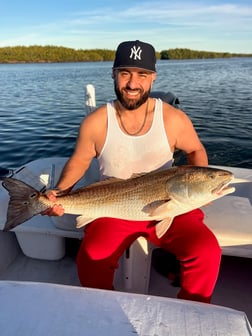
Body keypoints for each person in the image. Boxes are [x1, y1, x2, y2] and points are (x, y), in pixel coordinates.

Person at [43, 40, 221, 303]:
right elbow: (80, 161)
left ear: (153, 78)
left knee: (206, 252)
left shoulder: (173, 118)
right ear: (113, 74)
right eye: (125, 73)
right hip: (113, 204)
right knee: (91, 257)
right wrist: (58, 193)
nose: (132, 83)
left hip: (170, 202)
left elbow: (195, 150)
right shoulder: (96, 122)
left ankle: (192, 313)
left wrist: (198, 179)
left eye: (142, 75)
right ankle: (107, 312)